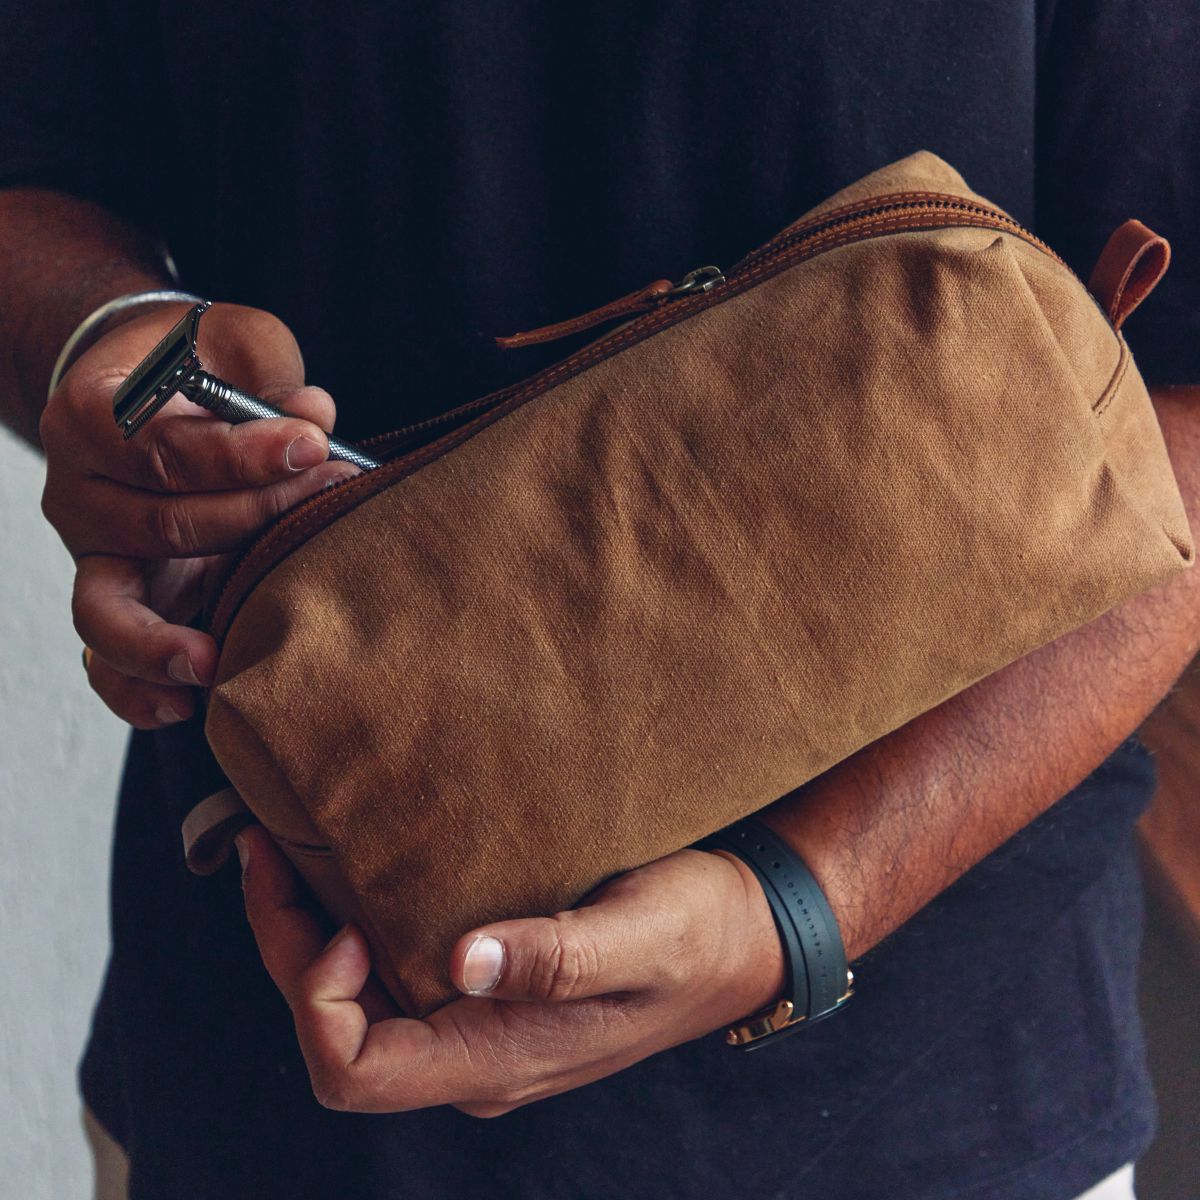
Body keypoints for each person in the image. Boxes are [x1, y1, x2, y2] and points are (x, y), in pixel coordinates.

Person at [2, 3, 1197, 1198]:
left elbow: (1177, 424)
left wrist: (798, 908)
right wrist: (104, 352)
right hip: (270, 1065)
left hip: (942, 1105)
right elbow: (37, 169)